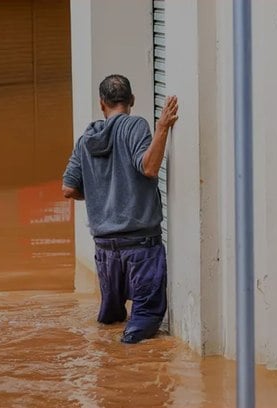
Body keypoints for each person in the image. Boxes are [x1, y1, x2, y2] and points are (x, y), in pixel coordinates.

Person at [62, 74, 179, 344]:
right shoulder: (135, 126)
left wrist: (97, 196)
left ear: (102, 104)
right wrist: (162, 128)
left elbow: (68, 189)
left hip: (105, 250)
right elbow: (149, 168)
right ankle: (125, 368)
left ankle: (107, 367)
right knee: (143, 323)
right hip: (141, 246)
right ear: (132, 101)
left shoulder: (85, 140)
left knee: (110, 320)